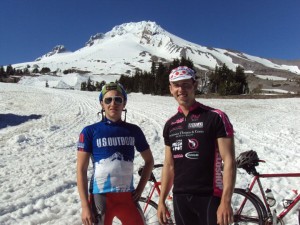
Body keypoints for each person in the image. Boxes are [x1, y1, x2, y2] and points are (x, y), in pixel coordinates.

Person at [157, 66, 236, 225]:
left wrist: (226, 201)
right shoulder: (170, 124)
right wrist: (161, 201)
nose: (181, 89)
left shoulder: (215, 117)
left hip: (209, 196)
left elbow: (229, 161)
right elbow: (169, 165)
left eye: (186, 84)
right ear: (171, 89)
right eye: (176, 85)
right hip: (180, 198)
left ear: (195, 85)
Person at [77, 82, 154, 225]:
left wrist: (140, 189)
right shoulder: (89, 131)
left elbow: (149, 161)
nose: (113, 103)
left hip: (127, 197)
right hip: (101, 197)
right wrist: (85, 206)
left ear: (124, 103)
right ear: (102, 103)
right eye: (108, 100)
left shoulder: (134, 130)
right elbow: (81, 170)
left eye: (118, 99)